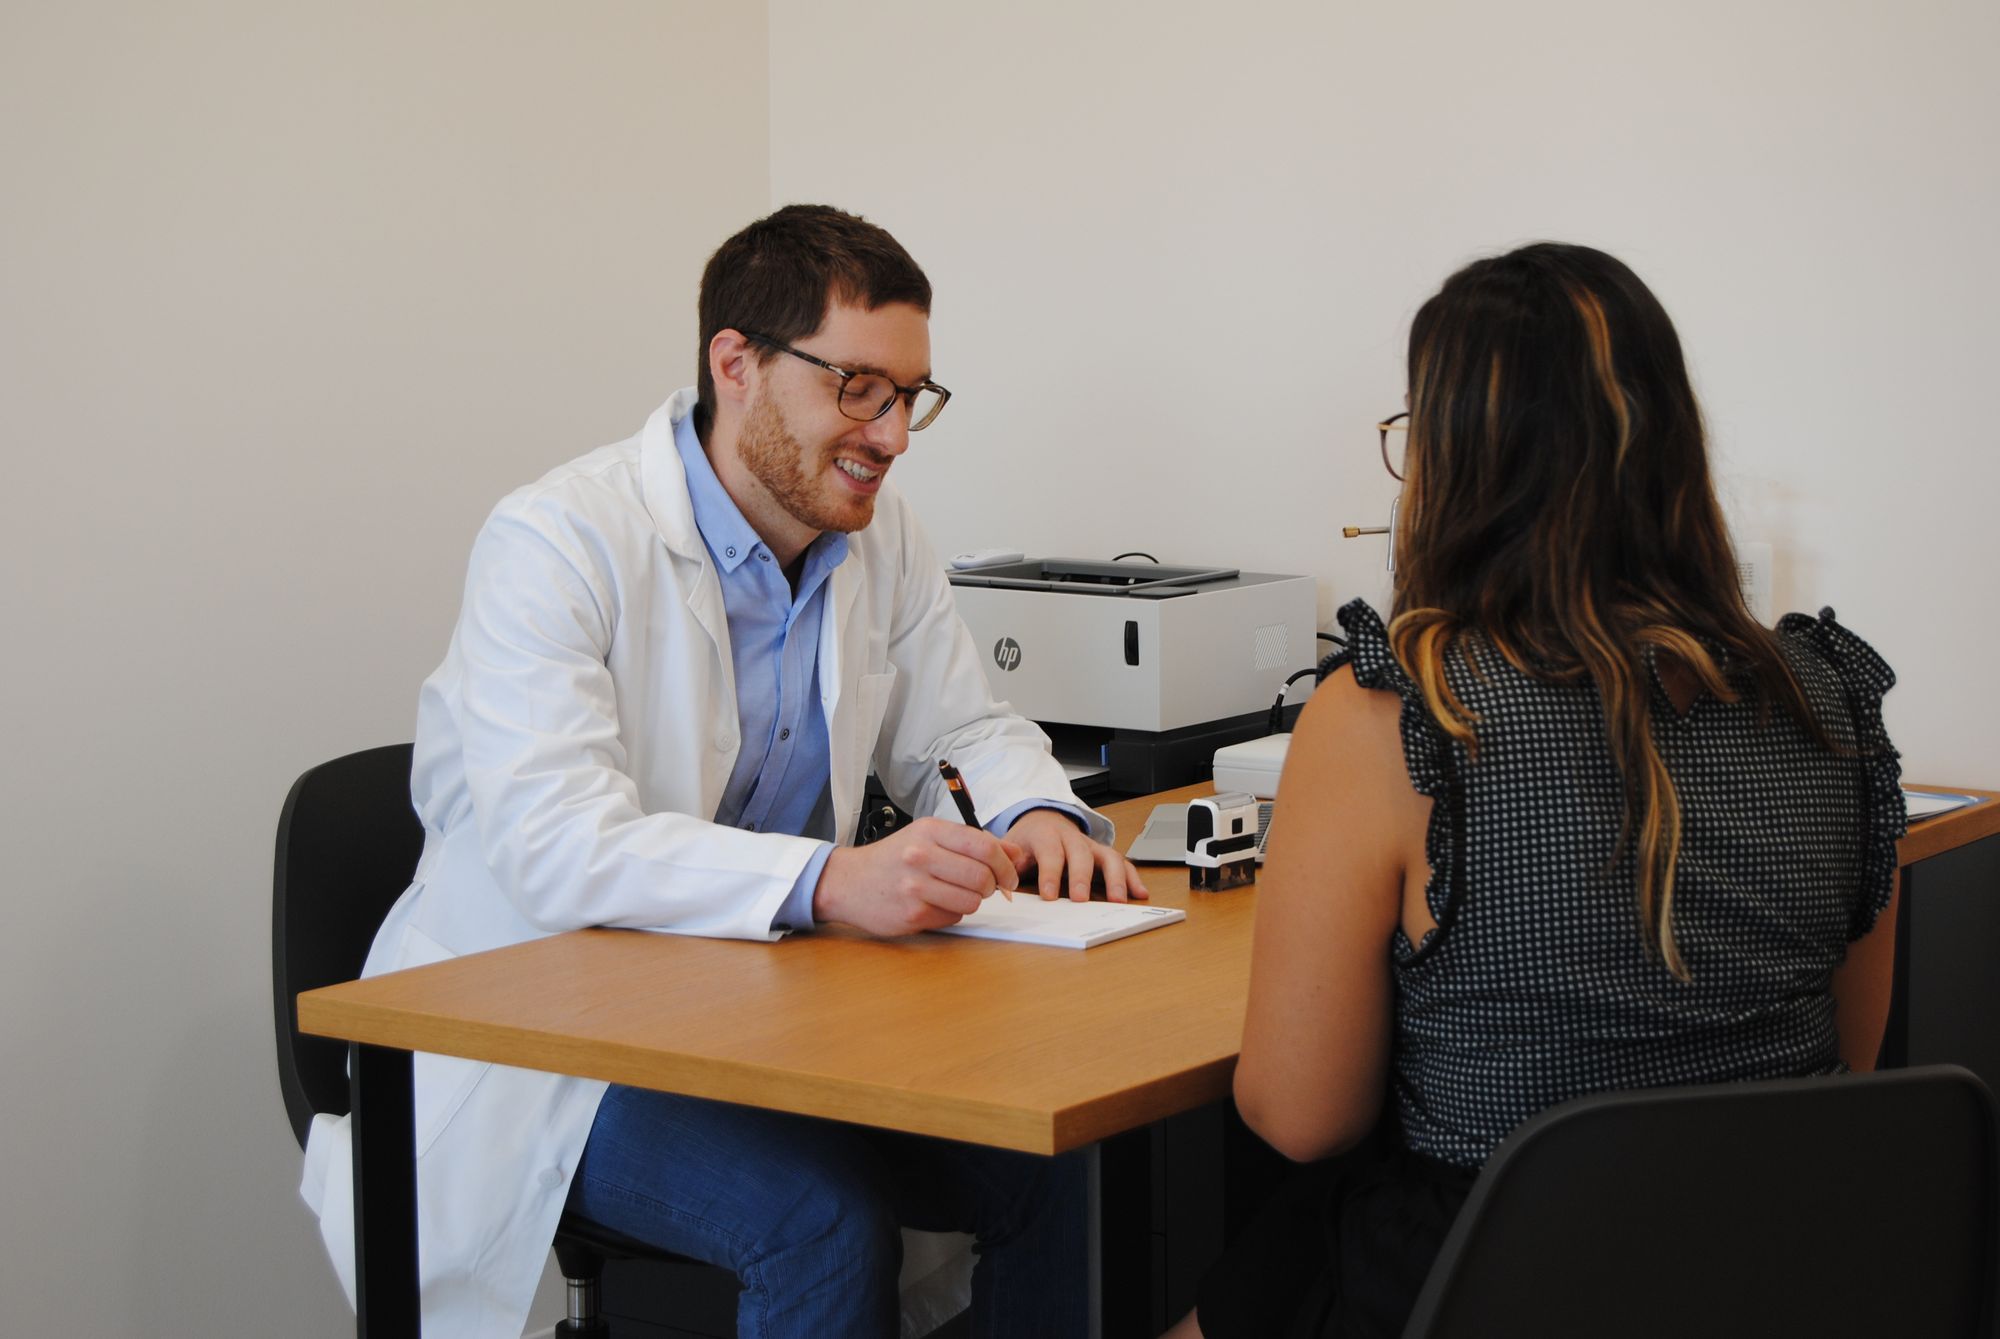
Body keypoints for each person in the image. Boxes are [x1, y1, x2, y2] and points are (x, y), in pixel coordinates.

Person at [299, 204, 1147, 1339]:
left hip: (771, 1017)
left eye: (910, 396)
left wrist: (1035, 807)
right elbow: (563, 844)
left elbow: (958, 725)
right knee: (817, 1222)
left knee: (1056, 1162)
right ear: (735, 363)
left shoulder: (876, 540)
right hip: (551, 1038)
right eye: (859, 387)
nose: (891, 434)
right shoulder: (555, 542)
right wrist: (832, 882)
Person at [1165, 243, 1905, 1339]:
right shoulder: (1822, 698)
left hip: (1490, 1275)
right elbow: (1851, 1047)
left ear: (1455, 462)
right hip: (1776, 1276)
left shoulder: (1398, 714)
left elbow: (1300, 1115)